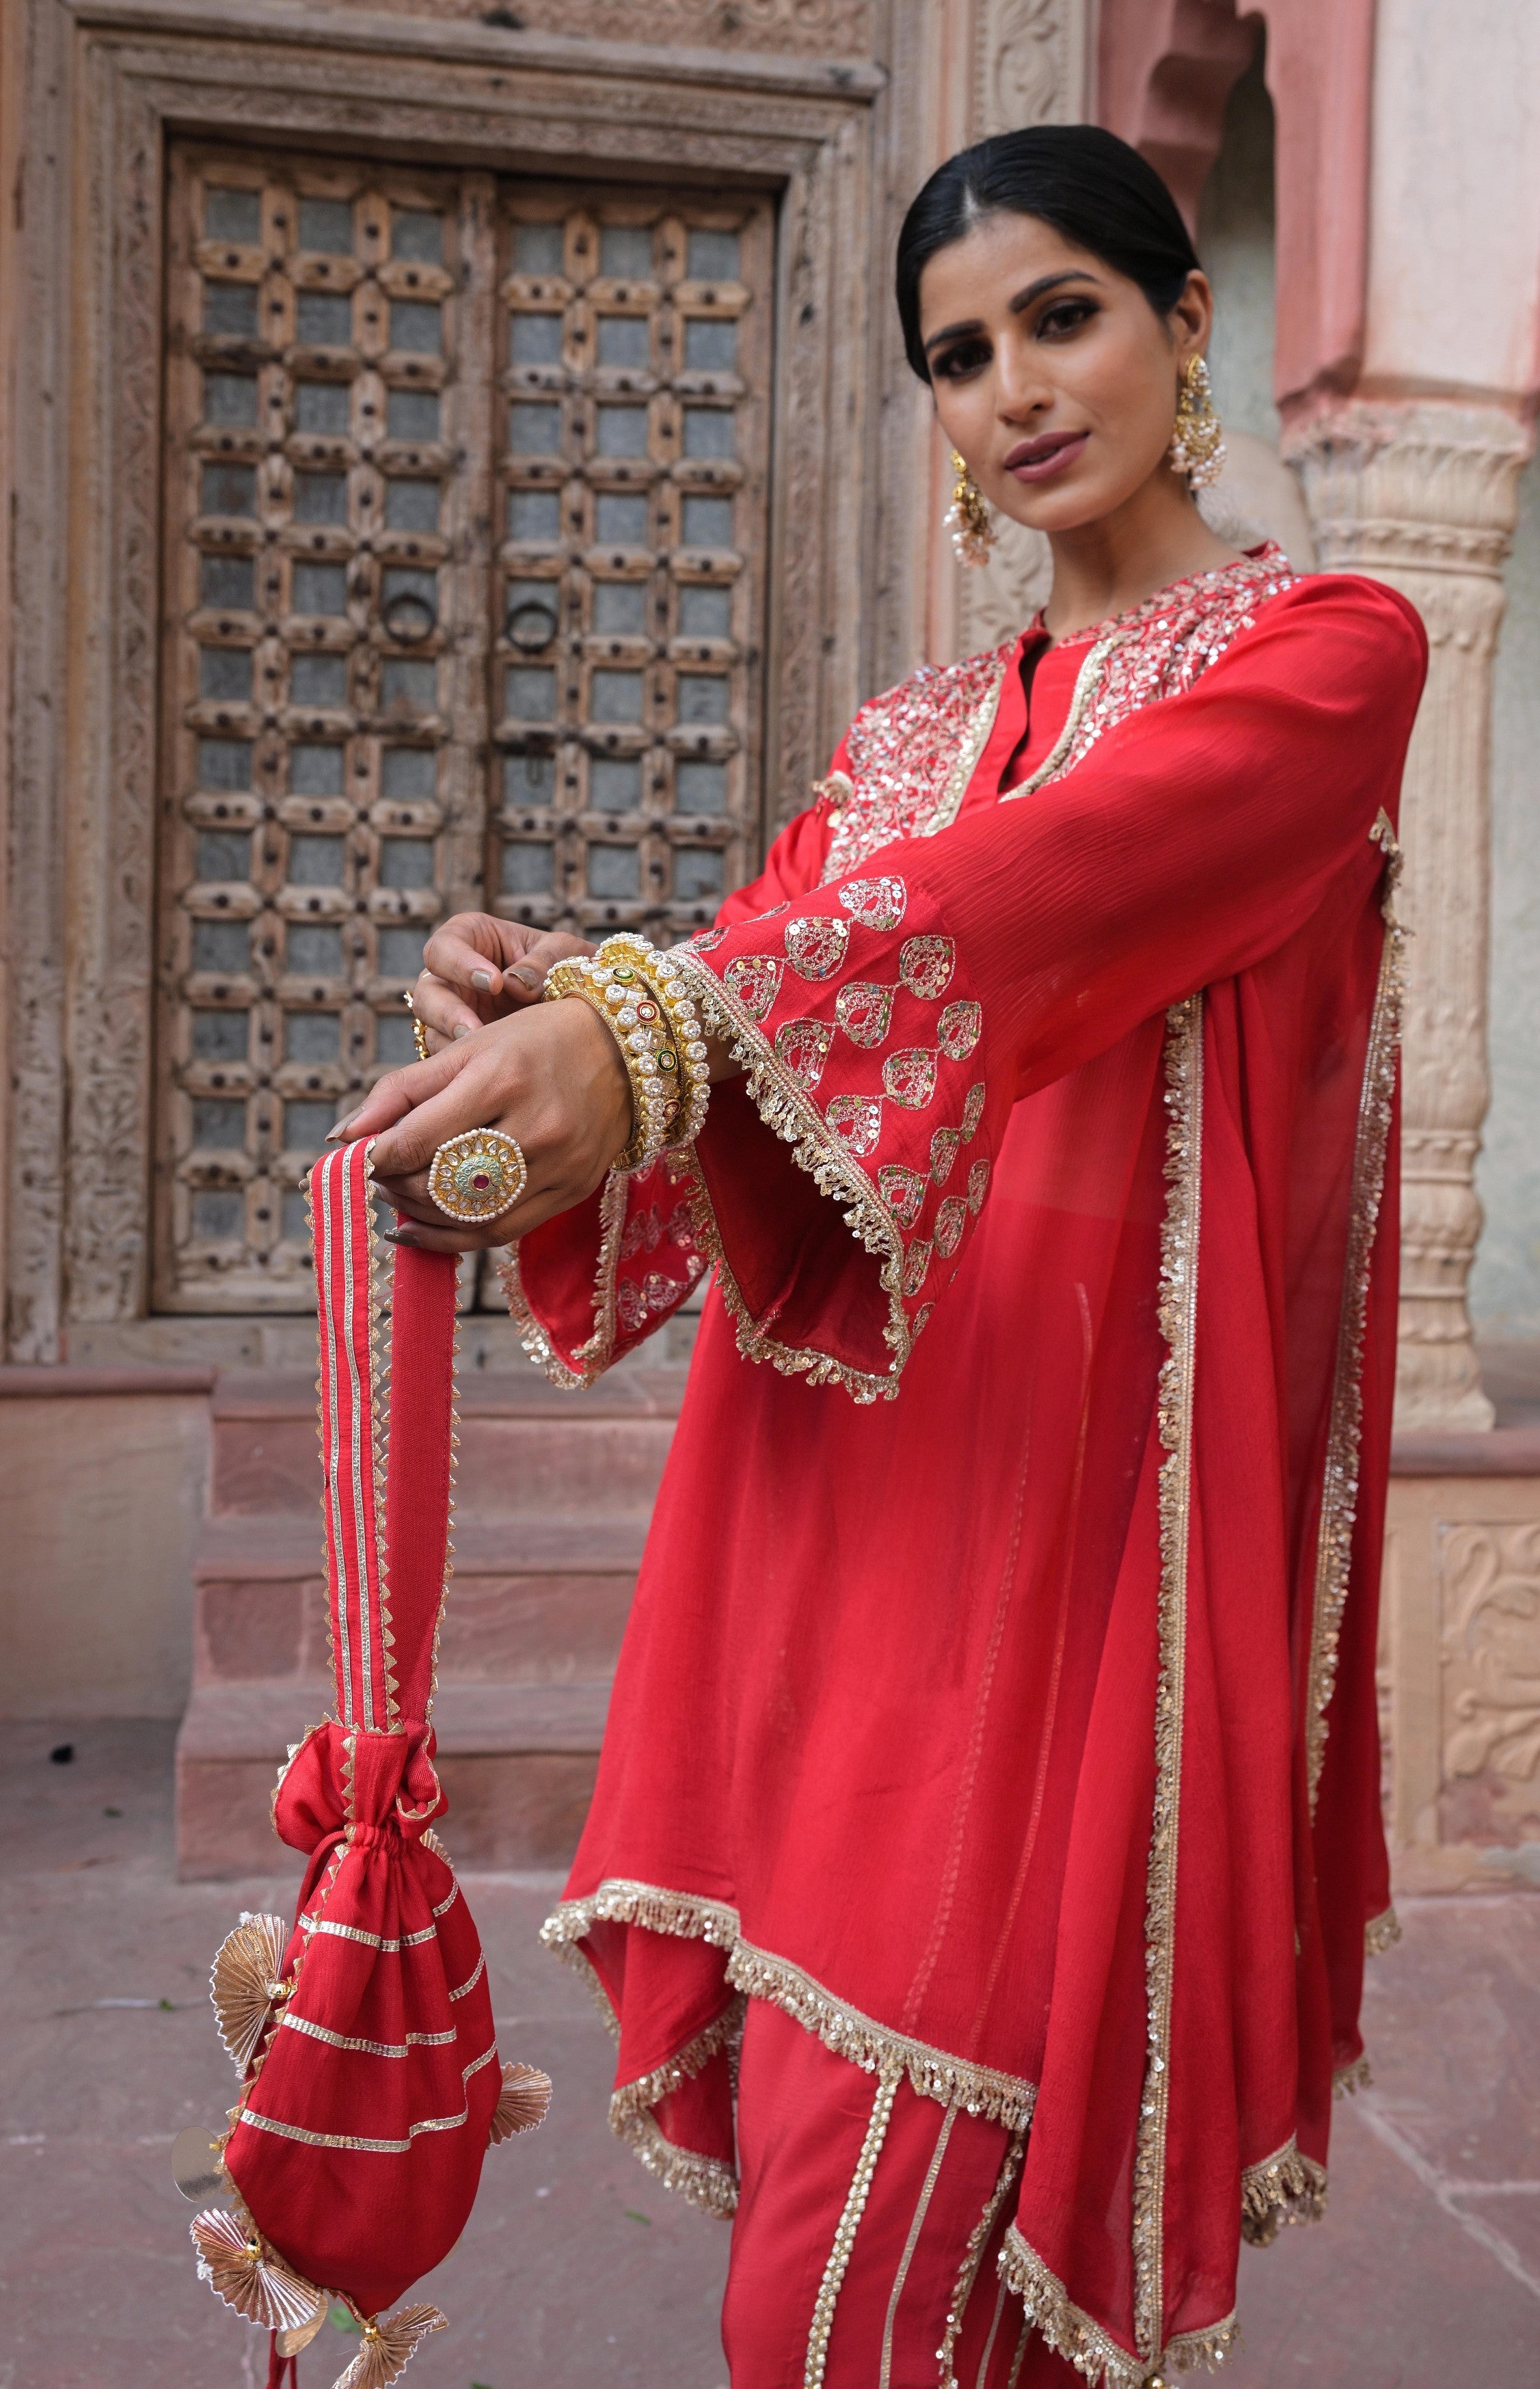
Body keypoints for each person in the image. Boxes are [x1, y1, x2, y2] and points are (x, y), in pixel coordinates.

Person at [337, 126, 1426, 2388]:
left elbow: (1034, 906)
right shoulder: (911, 738)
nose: (1014, 389)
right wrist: (550, 1026)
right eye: (957, 354)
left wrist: (652, 1029)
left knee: (851, 2299)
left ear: (1182, 323)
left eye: (1062, 316)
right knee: (874, 2258)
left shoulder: (1324, 662)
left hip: (1072, 1564)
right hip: (831, 1530)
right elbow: (757, 1026)